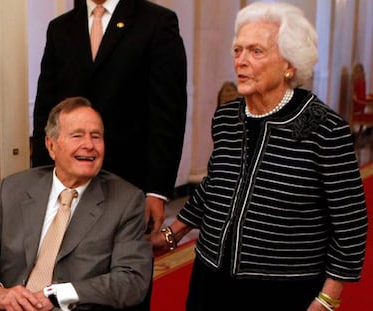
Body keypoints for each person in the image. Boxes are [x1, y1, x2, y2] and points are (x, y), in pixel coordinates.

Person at [151, 2, 368, 311]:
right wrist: (173, 235)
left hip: (282, 288)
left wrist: (328, 297)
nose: (241, 61)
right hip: (210, 279)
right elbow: (215, 187)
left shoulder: (324, 128)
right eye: (237, 51)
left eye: (256, 51)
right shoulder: (227, 118)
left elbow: (351, 223)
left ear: (289, 64)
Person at [0, 97, 153, 311]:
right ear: (51, 146)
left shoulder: (125, 200)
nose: (89, 145)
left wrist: (56, 295)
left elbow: (132, 281)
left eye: (96, 136)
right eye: (77, 135)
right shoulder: (14, 189)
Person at [31, 0, 187, 237]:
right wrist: (42, 177)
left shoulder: (157, 22)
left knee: (125, 267)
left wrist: (156, 190)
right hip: (67, 183)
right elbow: (46, 110)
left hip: (130, 181)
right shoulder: (60, 28)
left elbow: (167, 113)